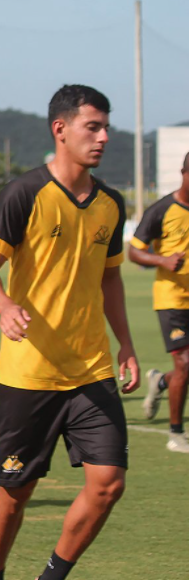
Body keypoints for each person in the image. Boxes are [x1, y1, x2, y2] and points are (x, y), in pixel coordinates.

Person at [0, 85, 138, 580]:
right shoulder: (25, 193)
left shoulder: (111, 202)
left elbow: (110, 278)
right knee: (17, 490)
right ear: (60, 130)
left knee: (108, 483)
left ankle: (52, 576)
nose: (103, 136)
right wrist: (3, 305)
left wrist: (126, 342)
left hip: (91, 370)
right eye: (93, 126)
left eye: (106, 126)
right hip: (30, 374)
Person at [128, 151, 189, 453]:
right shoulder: (162, 209)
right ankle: (176, 434)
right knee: (186, 363)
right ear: (183, 173)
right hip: (172, 300)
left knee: (184, 369)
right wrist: (162, 260)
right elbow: (134, 251)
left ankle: (161, 382)